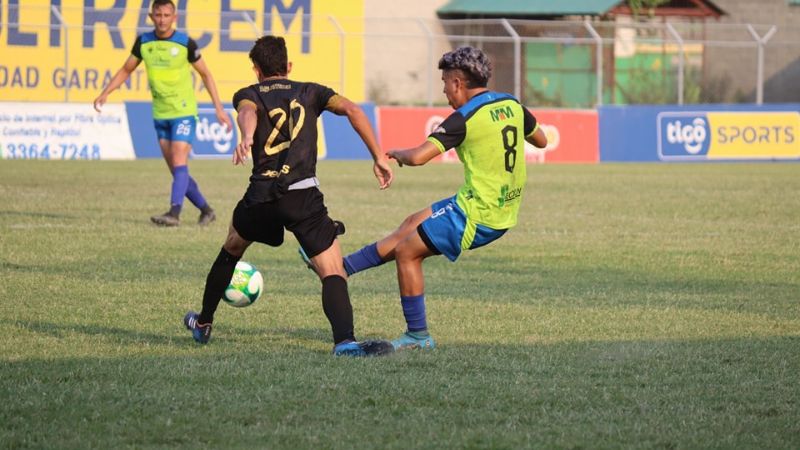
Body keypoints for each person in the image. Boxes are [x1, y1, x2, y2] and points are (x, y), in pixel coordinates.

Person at [305, 46, 547, 352]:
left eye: (445, 82)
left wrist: (394, 154)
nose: (444, 91)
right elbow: (541, 139)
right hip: (493, 203)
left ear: (458, 82)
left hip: (479, 213)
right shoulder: (511, 103)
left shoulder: (463, 117)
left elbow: (419, 157)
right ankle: (343, 268)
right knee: (411, 223)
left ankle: (418, 336)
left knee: (408, 251)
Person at [183, 35, 395, 357]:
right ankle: (345, 342)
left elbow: (248, 112)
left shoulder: (248, 94)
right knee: (332, 269)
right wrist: (378, 154)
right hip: (302, 197)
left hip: (261, 197)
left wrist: (248, 135)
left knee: (231, 249)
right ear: (289, 66)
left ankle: (203, 323)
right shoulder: (312, 92)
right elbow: (352, 109)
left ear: (256, 70)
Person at [93, 0, 232, 227]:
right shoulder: (144, 43)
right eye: (158, 15)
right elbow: (126, 69)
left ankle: (174, 214)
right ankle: (206, 210)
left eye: (167, 15)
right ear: (151, 17)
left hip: (184, 112)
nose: (162, 19)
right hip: (160, 114)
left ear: (174, 18)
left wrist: (218, 108)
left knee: (179, 160)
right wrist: (105, 92)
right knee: (178, 170)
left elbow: (206, 75)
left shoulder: (186, 43)